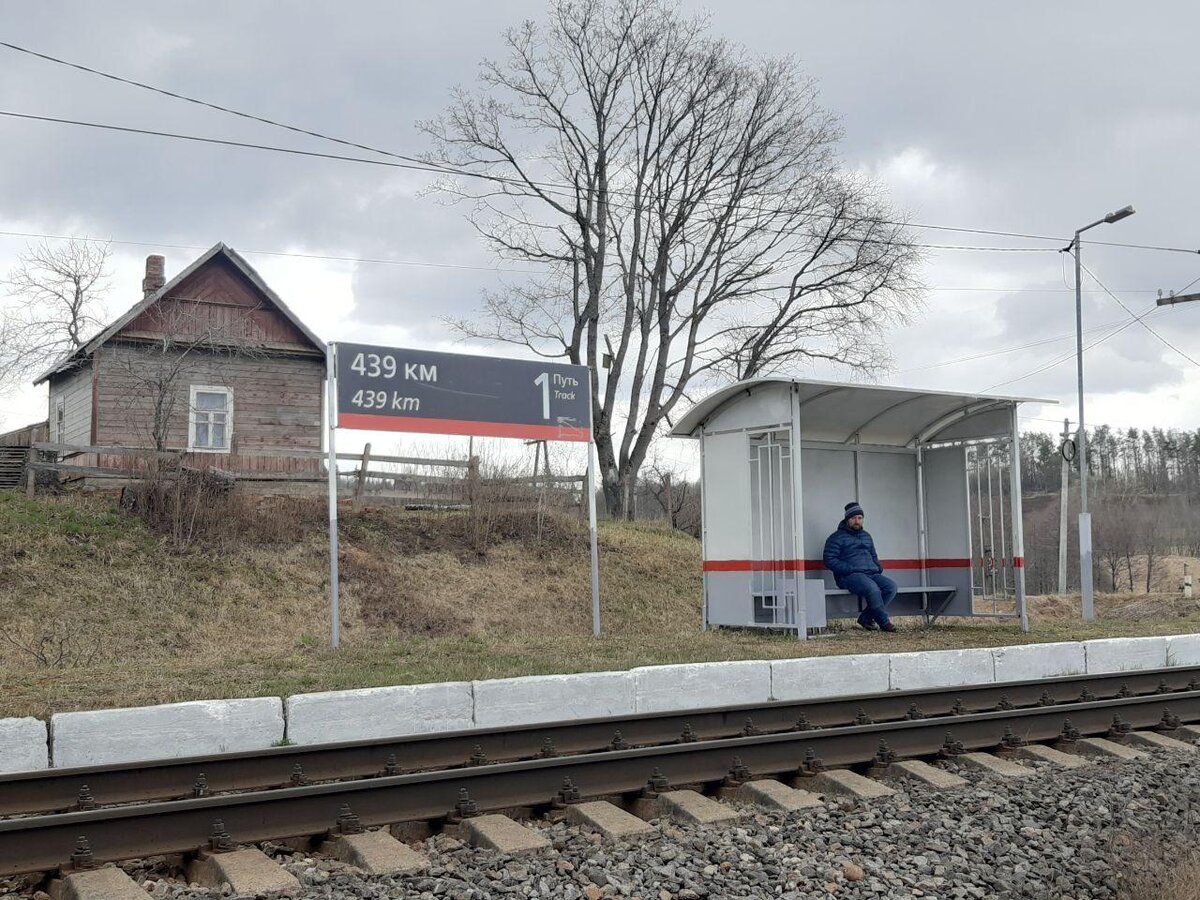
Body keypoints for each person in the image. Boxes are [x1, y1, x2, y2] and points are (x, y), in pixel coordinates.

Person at [822, 501, 898, 632]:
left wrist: (878, 567)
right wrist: (849, 569)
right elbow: (829, 559)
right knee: (872, 589)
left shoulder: (866, 536)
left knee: (891, 587)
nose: (857, 521)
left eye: (860, 518)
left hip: (871, 574)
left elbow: (874, 555)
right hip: (849, 576)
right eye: (853, 518)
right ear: (847, 519)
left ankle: (865, 617)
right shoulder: (836, 538)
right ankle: (884, 622)